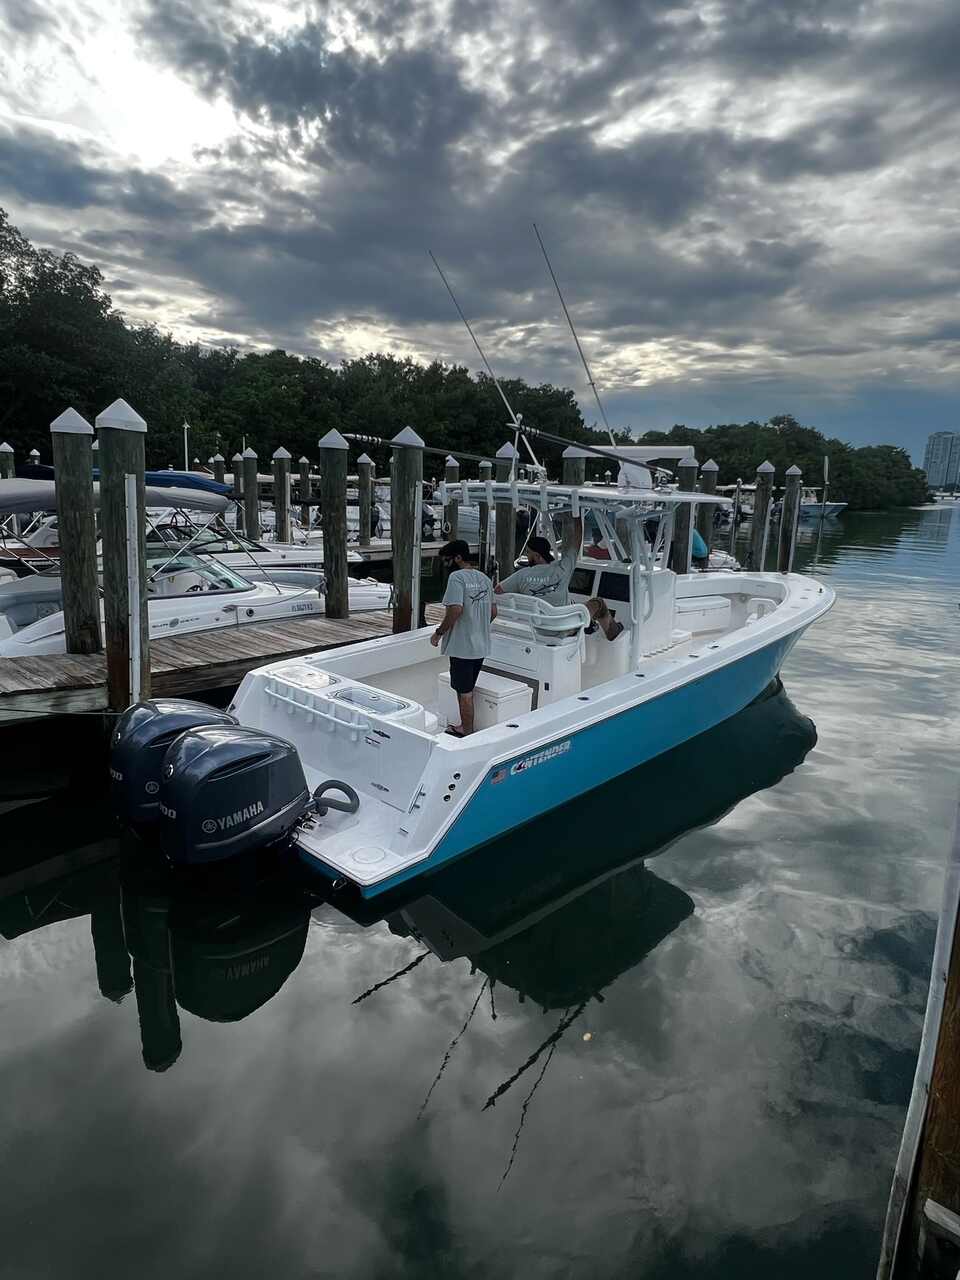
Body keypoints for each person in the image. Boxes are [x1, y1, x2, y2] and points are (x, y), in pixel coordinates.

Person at [496, 517, 622, 642]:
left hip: (535, 628)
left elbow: (497, 591)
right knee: (598, 603)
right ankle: (612, 633)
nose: (527, 556)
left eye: (528, 552)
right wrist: (577, 517)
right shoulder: (562, 569)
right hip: (563, 628)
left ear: (537, 555)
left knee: (574, 605)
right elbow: (577, 542)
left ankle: (590, 624)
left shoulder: (521, 575)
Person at [430, 540, 496, 737]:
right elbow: (493, 611)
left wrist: (439, 633)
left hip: (462, 647)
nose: (445, 564)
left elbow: (455, 609)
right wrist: (478, 624)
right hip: (481, 646)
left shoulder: (456, 578)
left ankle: (467, 732)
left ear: (458, 558)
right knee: (465, 688)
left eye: (447, 560)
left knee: (465, 692)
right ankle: (463, 726)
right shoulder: (485, 578)